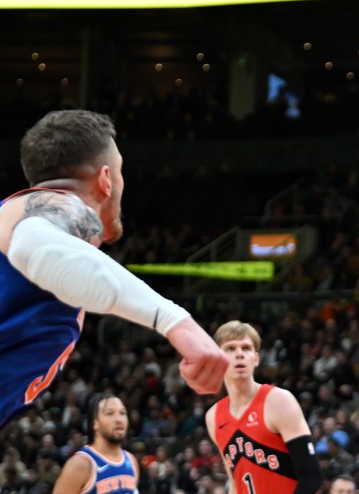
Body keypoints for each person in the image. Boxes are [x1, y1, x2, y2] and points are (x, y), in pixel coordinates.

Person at [0, 110, 228, 429]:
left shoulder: (14, 213)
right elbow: (34, 243)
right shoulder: (64, 208)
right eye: (121, 173)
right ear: (106, 179)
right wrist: (176, 321)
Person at [205, 321, 323, 494]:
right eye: (230, 348)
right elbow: (235, 484)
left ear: (256, 359)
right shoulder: (213, 416)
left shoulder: (278, 401)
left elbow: (312, 476)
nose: (239, 354)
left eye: (246, 348)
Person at [52, 394, 138, 494]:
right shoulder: (80, 464)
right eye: (110, 413)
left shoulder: (131, 461)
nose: (119, 419)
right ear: (95, 423)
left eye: (122, 413)